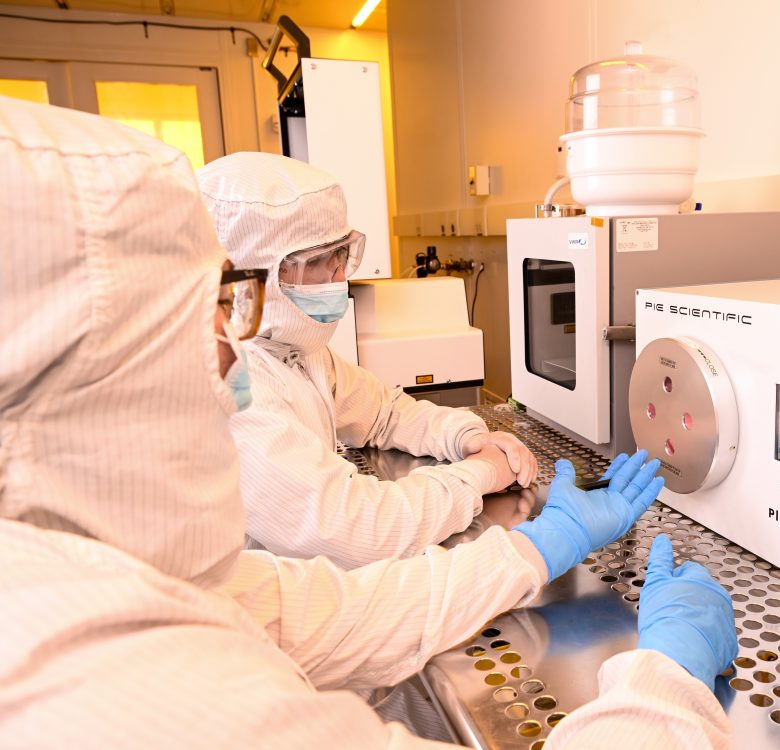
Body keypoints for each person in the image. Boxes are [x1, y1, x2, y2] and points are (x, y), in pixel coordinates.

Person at [0, 95, 737, 748]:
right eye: (211, 317)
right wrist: (667, 678)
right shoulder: (102, 685)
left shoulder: (111, 574)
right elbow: (351, 535)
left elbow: (340, 614)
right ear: (94, 376)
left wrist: (540, 546)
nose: (230, 365)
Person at [196, 152, 541, 569]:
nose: (336, 282)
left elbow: (384, 411)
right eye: (315, 266)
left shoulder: (299, 353)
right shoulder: (233, 379)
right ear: (252, 276)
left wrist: (467, 436)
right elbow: (357, 529)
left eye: (340, 259)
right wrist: (481, 473)